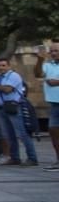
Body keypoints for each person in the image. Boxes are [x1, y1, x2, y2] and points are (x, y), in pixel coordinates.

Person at [0, 58, 37, 166]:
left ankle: (32, 157)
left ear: (9, 66)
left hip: (14, 106)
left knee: (22, 133)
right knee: (9, 134)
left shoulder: (14, 76)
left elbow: (7, 90)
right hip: (2, 107)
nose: (1, 68)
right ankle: (15, 157)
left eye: (3, 65)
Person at [33, 42, 59, 172]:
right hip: (54, 104)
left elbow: (52, 81)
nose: (53, 53)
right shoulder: (48, 65)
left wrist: (56, 81)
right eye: (52, 51)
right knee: (54, 132)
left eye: (56, 51)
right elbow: (38, 74)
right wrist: (39, 60)